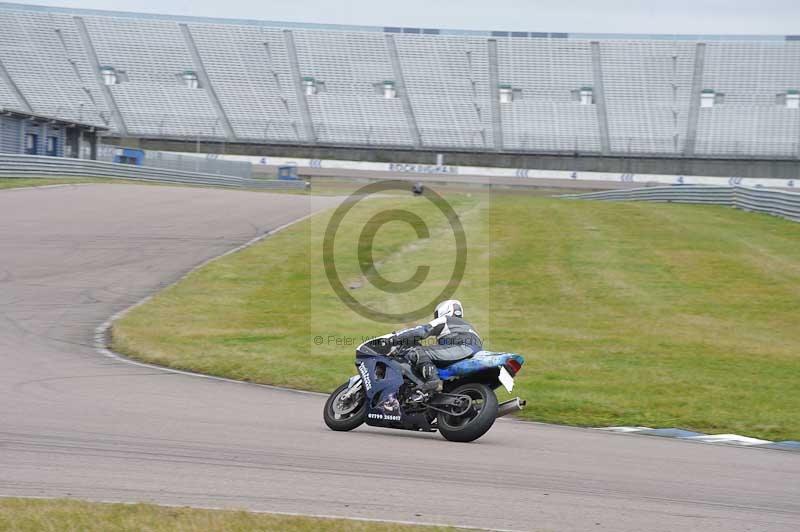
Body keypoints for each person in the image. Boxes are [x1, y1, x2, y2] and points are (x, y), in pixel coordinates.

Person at [387, 300, 482, 400]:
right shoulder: (468, 327)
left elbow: (421, 331)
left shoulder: (446, 319)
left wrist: (394, 338)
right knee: (431, 358)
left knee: (418, 352)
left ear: (445, 310)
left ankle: (433, 382)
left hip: (462, 349)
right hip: (472, 354)